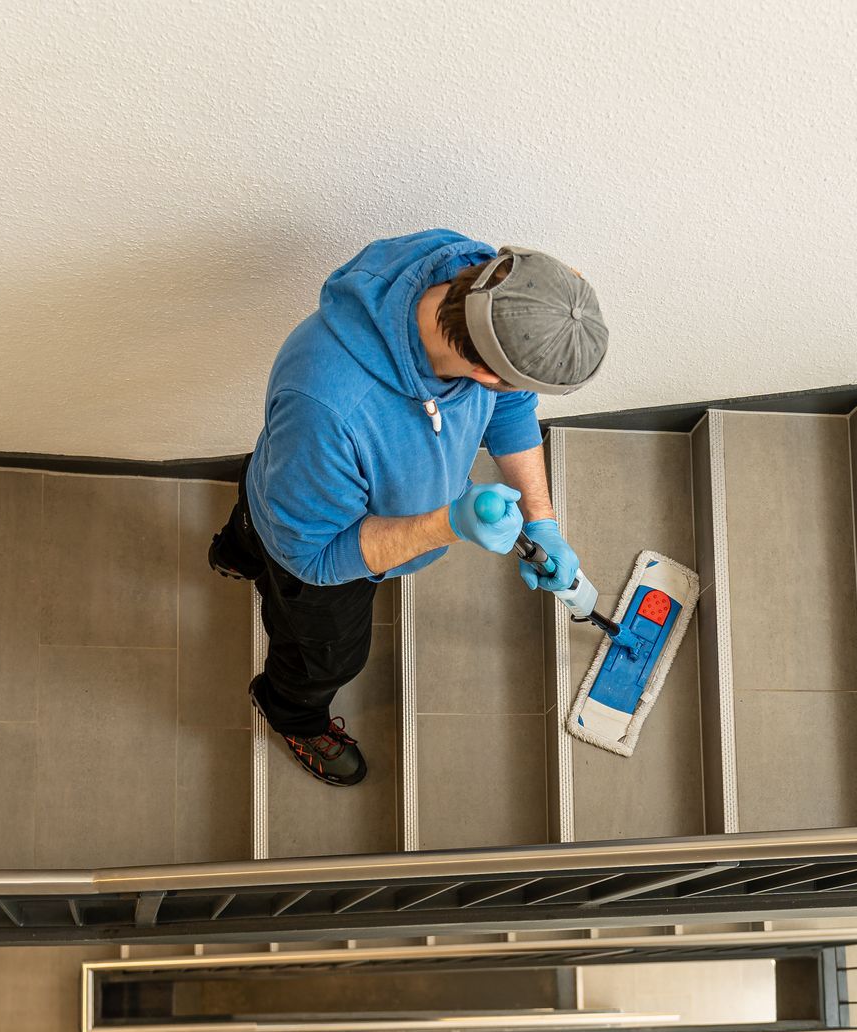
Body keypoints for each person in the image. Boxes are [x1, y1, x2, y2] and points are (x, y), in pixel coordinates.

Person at [209, 230, 608, 785]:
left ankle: (233, 554)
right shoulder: (328, 409)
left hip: (286, 486)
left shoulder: (474, 283)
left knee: (256, 523)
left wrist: (543, 520)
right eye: (508, 383)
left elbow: (512, 405)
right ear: (485, 373)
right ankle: (291, 713)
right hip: (314, 551)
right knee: (329, 657)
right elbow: (315, 558)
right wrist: (450, 523)